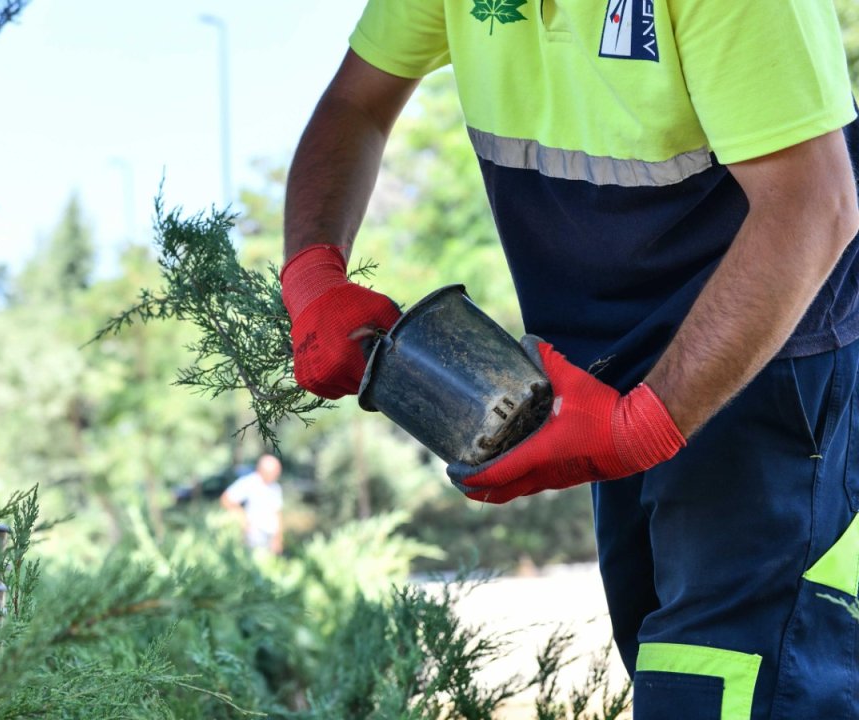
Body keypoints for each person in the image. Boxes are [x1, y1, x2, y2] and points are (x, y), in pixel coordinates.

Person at [281, 1, 859, 717]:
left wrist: (642, 426)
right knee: (668, 672)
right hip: (605, 386)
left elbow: (815, 204)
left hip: (760, 380)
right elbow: (356, 103)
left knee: (723, 688)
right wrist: (311, 274)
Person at [221, 454, 284, 555]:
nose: (276, 475)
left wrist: (278, 538)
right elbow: (226, 499)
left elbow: (278, 513)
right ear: (262, 470)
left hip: (270, 537)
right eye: (274, 472)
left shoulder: (275, 487)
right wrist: (242, 518)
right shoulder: (249, 483)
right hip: (254, 536)